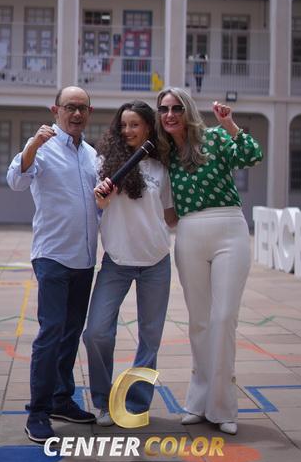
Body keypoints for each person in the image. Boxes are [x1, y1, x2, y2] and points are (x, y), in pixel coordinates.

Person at [155, 87, 263, 435]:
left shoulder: (215, 138)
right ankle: (198, 402)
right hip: (189, 233)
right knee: (199, 322)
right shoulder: (164, 153)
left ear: (187, 110)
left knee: (223, 317)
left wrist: (229, 124)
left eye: (176, 108)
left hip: (229, 228)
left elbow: (252, 155)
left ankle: (223, 406)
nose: (170, 114)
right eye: (164, 109)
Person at [6, 86, 99, 443]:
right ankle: (39, 412)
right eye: (69, 107)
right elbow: (16, 181)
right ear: (55, 110)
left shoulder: (91, 155)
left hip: (85, 259)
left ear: (89, 112)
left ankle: (62, 399)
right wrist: (32, 146)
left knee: (71, 333)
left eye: (82, 108)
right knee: (51, 332)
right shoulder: (42, 147)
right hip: (53, 256)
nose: (76, 114)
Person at [83, 100, 177, 426]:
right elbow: (96, 207)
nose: (128, 130)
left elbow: (170, 216)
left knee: (150, 339)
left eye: (134, 124)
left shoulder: (161, 168)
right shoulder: (103, 164)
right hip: (117, 262)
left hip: (156, 262)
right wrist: (101, 200)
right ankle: (103, 402)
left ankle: (136, 403)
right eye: (123, 125)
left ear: (149, 127)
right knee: (96, 333)